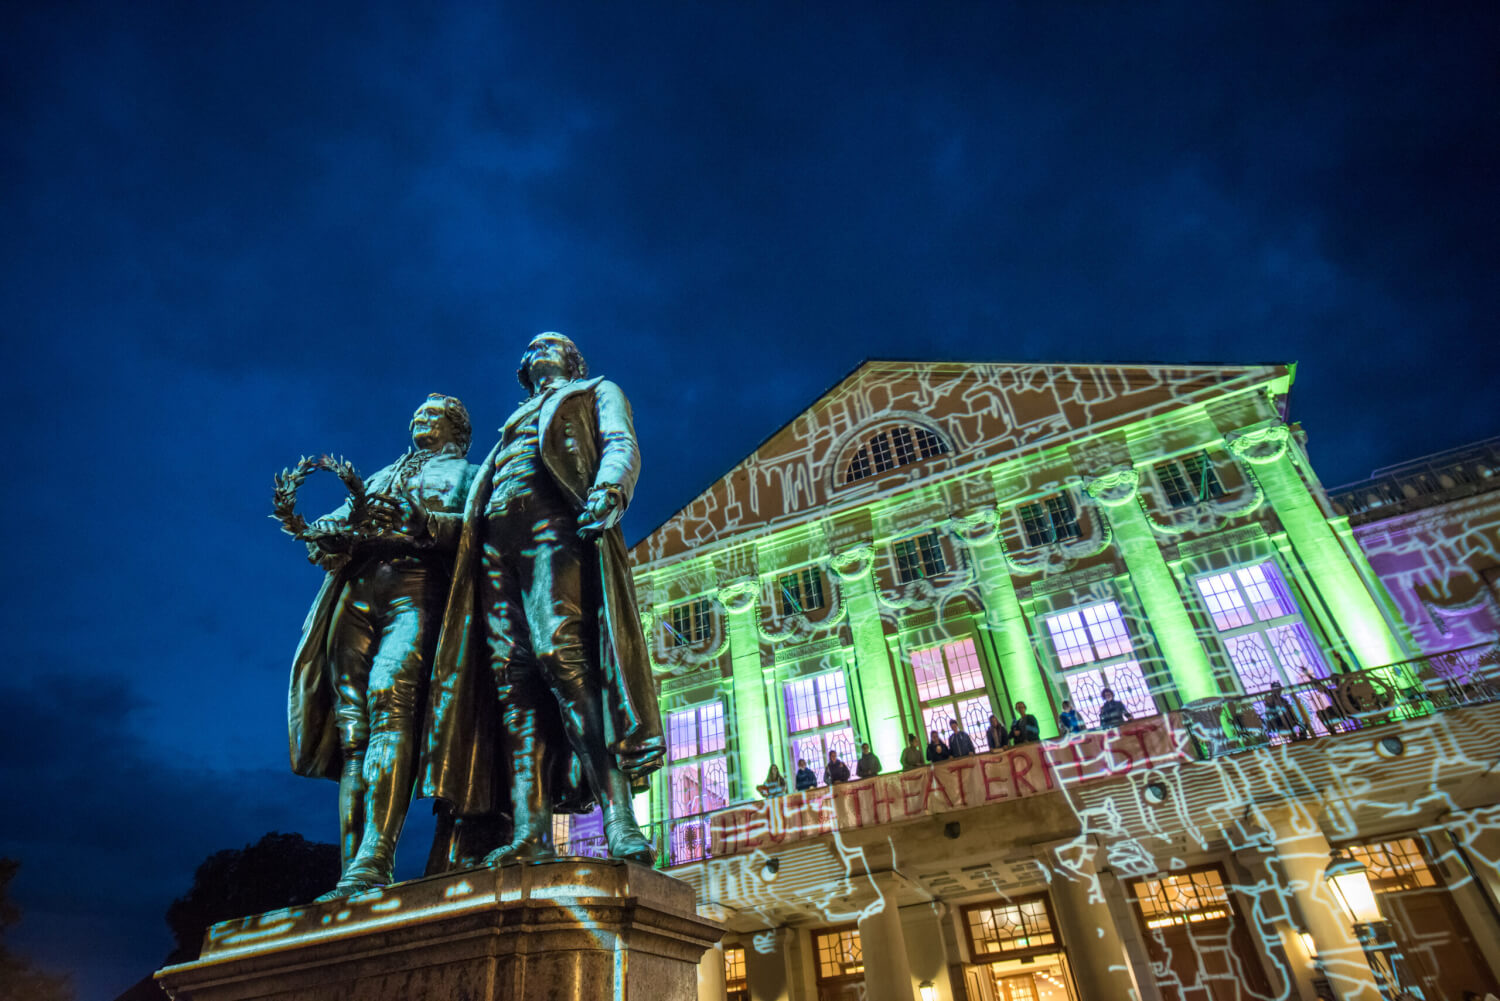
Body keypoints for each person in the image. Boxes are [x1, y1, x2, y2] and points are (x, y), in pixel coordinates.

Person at [421, 333, 665, 867]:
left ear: (573, 358)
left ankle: (620, 819)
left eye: (548, 344)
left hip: (555, 525)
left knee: (562, 655)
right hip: (493, 544)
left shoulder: (596, 391)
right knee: (513, 679)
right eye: (528, 349)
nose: (535, 351)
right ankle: (530, 831)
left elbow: (621, 443)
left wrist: (610, 488)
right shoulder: (506, 429)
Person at [288, 394, 477, 898]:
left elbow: (484, 533)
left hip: (418, 589)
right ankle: (352, 872)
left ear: (456, 428)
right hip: (356, 593)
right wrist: (325, 532)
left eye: (432, 415)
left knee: (389, 702)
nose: (419, 420)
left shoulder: (471, 474)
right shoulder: (376, 478)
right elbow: (324, 534)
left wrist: (426, 525)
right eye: (415, 414)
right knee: (354, 730)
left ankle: (375, 857)